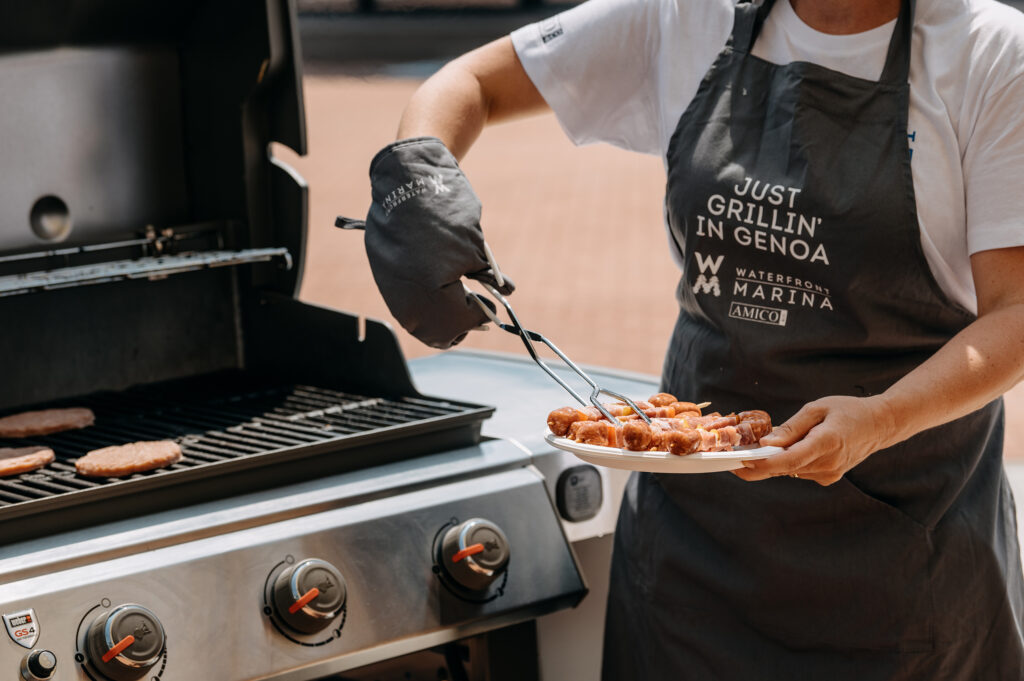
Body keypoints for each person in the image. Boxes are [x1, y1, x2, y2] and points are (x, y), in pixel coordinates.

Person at [358, 0, 1024, 677]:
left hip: (903, 560)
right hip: (692, 559)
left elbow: (1016, 313)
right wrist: (416, 187)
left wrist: (881, 418)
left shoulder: (990, 54)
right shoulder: (691, 16)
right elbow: (471, 83)